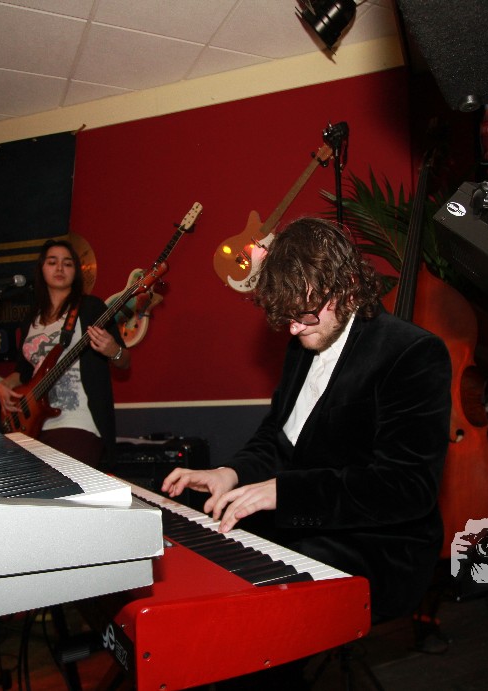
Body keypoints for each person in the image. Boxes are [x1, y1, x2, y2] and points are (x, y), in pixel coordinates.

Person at [162, 217, 452, 685]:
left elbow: (406, 488)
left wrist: (285, 492)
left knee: (260, 618)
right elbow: (277, 438)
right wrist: (229, 474)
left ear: (348, 285)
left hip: (379, 546)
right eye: (287, 318)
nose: (295, 328)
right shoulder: (305, 343)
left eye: (306, 314)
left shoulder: (411, 353)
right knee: (207, 564)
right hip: (307, 523)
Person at [0, 239, 130, 466]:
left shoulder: (90, 308)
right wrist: (2, 386)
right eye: (52, 262)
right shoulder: (31, 318)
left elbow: (124, 361)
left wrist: (113, 350)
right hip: (33, 425)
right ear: (41, 269)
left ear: (76, 272)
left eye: (67, 263)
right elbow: (23, 372)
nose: (59, 268)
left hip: (77, 422)